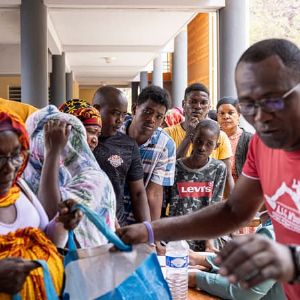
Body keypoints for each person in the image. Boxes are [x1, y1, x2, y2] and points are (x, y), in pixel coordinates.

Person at [116, 38, 300, 300]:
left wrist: (291, 259)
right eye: (248, 105)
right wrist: (151, 231)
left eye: (272, 100)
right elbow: (233, 210)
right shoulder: (263, 144)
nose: (260, 116)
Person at [0, 109, 81, 298]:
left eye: (15, 155)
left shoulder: (19, 188)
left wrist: (62, 222)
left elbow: (45, 237)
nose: (9, 167)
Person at [23, 105, 116, 248]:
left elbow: (52, 214)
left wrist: (52, 152)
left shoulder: (94, 179)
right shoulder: (19, 181)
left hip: (80, 266)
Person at [188, 207, 285, 300]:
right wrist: (201, 260)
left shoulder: (273, 233)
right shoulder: (280, 226)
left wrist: (194, 278)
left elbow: (247, 292)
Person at [92, 86, 150, 226]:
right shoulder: (79, 141)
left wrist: (148, 233)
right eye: (116, 113)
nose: (121, 120)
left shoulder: (128, 146)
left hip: (115, 228)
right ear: (97, 109)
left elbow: (138, 194)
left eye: (124, 115)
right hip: (81, 227)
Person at [164, 83, 234, 194]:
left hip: (208, 205)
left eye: (203, 103)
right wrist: (188, 136)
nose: (198, 106)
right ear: (183, 104)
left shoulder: (220, 136)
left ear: (209, 106)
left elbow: (227, 176)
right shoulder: (167, 134)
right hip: (176, 203)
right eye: (193, 102)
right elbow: (169, 170)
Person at [119, 85, 176, 222]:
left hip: (138, 219)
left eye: (159, 116)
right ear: (134, 109)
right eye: (148, 111)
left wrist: (152, 235)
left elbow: (154, 194)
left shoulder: (165, 145)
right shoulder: (114, 133)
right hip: (107, 218)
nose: (152, 119)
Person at [168, 119, 226, 252]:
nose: (202, 147)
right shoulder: (176, 167)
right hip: (177, 238)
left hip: (206, 238)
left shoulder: (218, 168)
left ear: (216, 146)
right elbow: (163, 206)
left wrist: (209, 244)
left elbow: (214, 207)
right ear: (192, 138)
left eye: (209, 144)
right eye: (199, 141)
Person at [217, 96, 252, 182]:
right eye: (221, 113)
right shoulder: (212, 138)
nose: (226, 116)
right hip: (216, 189)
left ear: (239, 115)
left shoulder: (249, 139)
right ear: (217, 116)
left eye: (230, 113)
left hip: (241, 190)